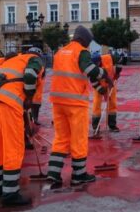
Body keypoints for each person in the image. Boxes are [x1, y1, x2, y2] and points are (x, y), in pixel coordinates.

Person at [46, 25, 111, 185]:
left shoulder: (60, 52)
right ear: (83, 40)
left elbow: (81, 75)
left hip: (57, 102)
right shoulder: (81, 51)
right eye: (88, 43)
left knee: (61, 138)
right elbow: (89, 70)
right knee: (79, 138)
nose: (88, 46)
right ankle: (79, 175)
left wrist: (100, 89)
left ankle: (53, 174)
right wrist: (106, 75)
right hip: (75, 103)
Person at [0, 48, 45, 206]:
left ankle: (0, 188)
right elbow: (30, 74)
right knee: (13, 148)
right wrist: (29, 97)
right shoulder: (34, 59)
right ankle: (10, 195)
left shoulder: (13, 61)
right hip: (7, 105)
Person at [91, 51, 122, 132]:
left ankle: (112, 125)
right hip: (99, 85)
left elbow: (119, 60)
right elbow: (94, 82)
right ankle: (96, 126)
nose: (96, 66)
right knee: (96, 104)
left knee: (112, 103)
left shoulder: (109, 58)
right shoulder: (91, 70)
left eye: (97, 64)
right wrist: (102, 91)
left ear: (99, 61)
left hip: (111, 82)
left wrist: (118, 71)